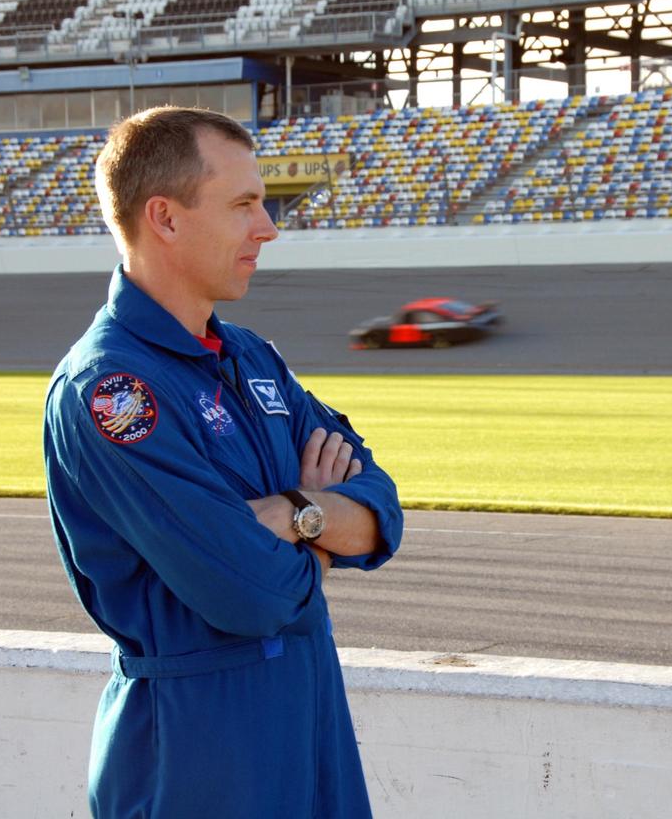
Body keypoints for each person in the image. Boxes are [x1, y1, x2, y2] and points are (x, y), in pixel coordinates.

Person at [42, 106, 403, 818]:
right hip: (198, 747)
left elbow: (383, 512)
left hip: (310, 719)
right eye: (243, 205)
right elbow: (249, 594)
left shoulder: (250, 356)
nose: (267, 228)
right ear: (166, 219)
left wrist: (299, 514)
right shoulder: (113, 392)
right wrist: (325, 528)